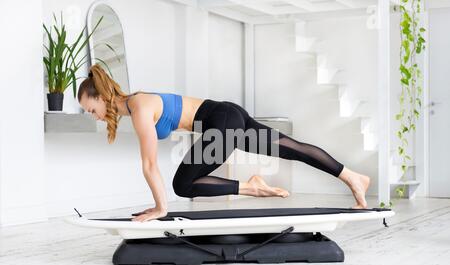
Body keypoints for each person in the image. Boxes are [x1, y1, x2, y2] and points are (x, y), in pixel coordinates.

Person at [78, 64, 370, 222]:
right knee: (291, 148)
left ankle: (252, 187)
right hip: (228, 116)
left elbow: (150, 164)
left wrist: (160, 208)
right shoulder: (135, 107)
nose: (95, 116)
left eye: (92, 109)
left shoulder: (139, 108)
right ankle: (352, 176)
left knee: (183, 184)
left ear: (102, 96)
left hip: (222, 121)